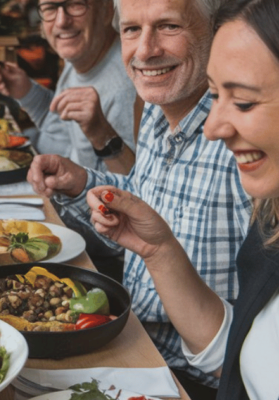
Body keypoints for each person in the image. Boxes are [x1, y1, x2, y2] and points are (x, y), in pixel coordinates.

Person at [26, 0, 253, 395]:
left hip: (189, 380)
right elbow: (145, 212)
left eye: (168, 26)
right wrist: (81, 185)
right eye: (131, 29)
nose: (145, 50)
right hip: (128, 338)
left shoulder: (244, 142)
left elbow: (254, 358)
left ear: (214, 31)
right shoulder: (155, 107)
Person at [87, 1, 279, 397]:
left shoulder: (258, 183)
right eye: (213, 94)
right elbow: (239, 352)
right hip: (141, 350)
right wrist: (159, 250)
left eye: (242, 101)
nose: (213, 127)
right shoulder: (156, 113)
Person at [0, 0, 138, 175]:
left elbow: (134, 189)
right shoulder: (83, 53)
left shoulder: (129, 85)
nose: (61, 21)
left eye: (76, 4)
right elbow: (62, 133)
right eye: (50, 8)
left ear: (106, 11)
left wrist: (102, 134)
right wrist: (26, 92)